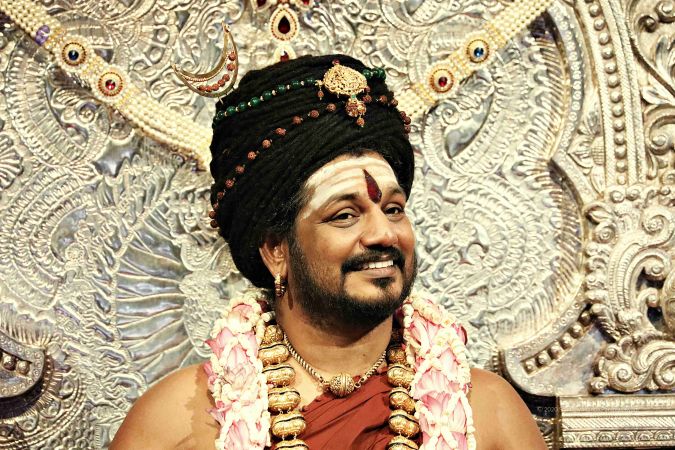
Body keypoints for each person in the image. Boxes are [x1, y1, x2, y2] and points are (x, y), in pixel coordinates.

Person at [111, 54, 546, 450]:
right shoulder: (177, 427)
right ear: (276, 250)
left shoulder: (486, 414)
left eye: (393, 209)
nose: (384, 234)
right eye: (344, 215)